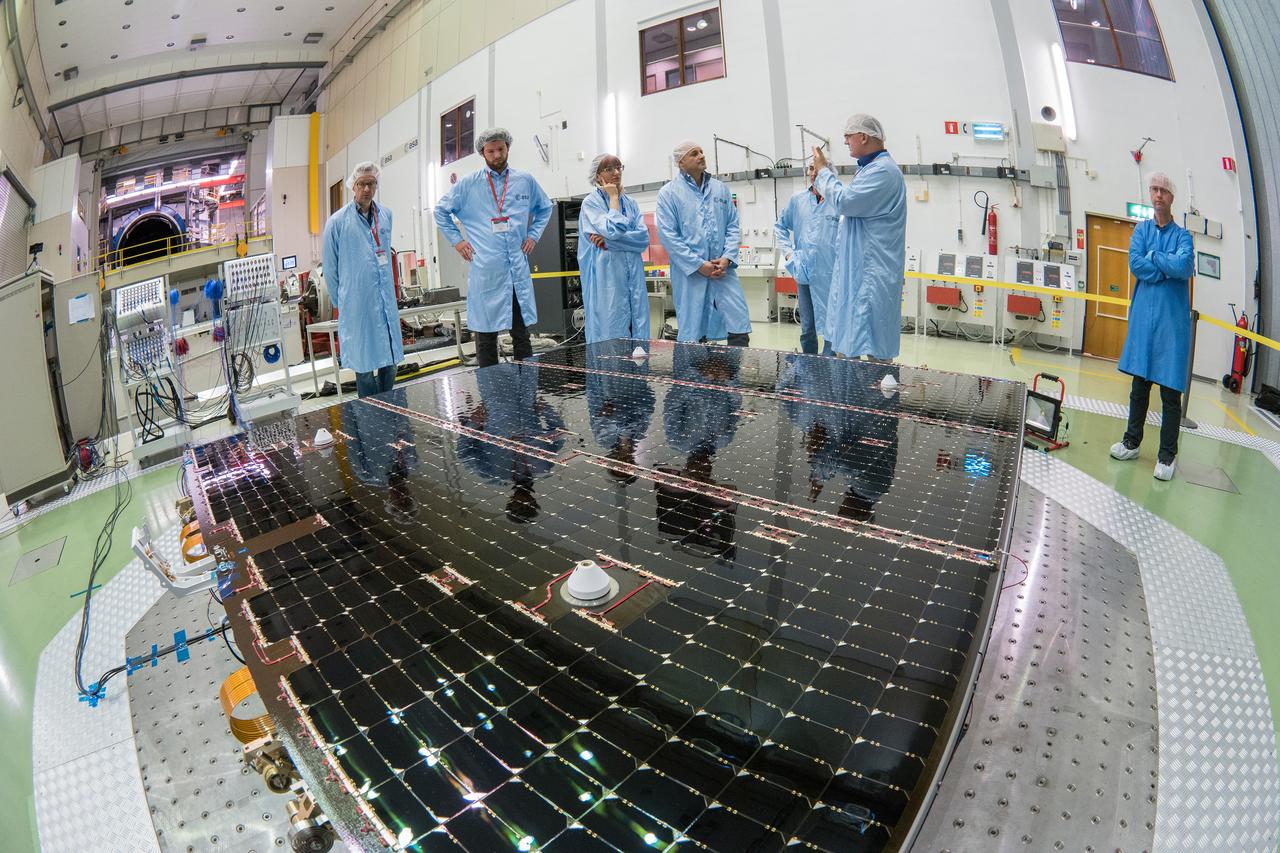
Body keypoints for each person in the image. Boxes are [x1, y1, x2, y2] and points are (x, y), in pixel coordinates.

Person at [434, 127, 552, 368]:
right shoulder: (468, 185)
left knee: (521, 333)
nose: (497, 155)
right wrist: (458, 242)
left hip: (516, 268)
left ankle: (526, 386)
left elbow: (545, 207)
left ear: (508, 148)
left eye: (501, 149)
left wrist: (533, 235)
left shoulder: (524, 181)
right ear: (482, 153)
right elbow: (440, 211)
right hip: (487, 270)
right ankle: (491, 395)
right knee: (485, 336)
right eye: (491, 151)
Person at [1110, 172, 1194, 481]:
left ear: (1172, 198)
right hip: (1145, 323)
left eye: (1164, 191)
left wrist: (1155, 257)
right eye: (1154, 190)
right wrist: (1163, 267)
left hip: (1172, 328)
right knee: (1139, 388)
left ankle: (1167, 457)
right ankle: (1132, 442)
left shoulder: (1183, 236)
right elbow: (1135, 264)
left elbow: (1185, 266)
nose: (1158, 195)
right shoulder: (1141, 230)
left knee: (1171, 397)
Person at [811, 114, 907, 364]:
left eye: (848, 136)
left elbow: (845, 202)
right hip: (861, 273)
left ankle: (876, 401)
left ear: (863, 137)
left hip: (872, 275)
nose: (845, 142)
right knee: (849, 346)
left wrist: (823, 172)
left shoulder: (883, 172)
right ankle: (851, 398)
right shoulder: (869, 170)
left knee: (874, 354)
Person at [657, 140, 751, 347]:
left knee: (738, 326)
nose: (701, 156)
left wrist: (727, 258)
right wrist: (699, 265)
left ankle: (736, 378)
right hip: (691, 274)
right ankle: (695, 378)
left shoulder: (720, 189)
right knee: (694, 330)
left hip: (723, 271)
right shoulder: (669, 194)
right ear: (681, 163)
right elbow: (668, 236)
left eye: (701, 152)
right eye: (694, 154)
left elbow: (733, 226)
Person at [321, 161, 403, 398]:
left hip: (385, 300)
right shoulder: (336, 223)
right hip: (357, 304)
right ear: (353, 186)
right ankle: (370, 412)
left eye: (371, 183)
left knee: (391, 360)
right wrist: (343, 303)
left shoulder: (386, 215)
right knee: (364, 365)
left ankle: (390, 405)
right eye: (362, 184)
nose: (367, 189)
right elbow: (330, 269)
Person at [579, 153, 651, 345]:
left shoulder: (631, 203)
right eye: (609, 169)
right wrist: (612, 197)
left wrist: (610, 242)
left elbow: (643, 239)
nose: (616, 172)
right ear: (597, 176)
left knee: (637, 335)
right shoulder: (591, 203)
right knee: (610, 335)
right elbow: (614, 227)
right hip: (607, 277)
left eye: (619, 167)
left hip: (633, 275)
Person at [775, 160, 840, 354]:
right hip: (803, 271)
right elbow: (780, 227)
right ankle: (809, 366)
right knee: (808, 326)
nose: (813, 173)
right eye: (811, 168)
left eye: (818, 169)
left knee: (833, 326)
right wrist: (788, 253)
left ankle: (830, 367)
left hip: (832, 275)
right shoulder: (798, 200)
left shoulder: (838, 201)